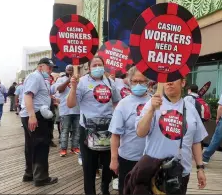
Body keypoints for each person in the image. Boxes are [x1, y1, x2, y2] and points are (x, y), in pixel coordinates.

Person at [135, 78, 208, 194]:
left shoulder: (191, 109)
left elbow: (196, 141)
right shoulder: (153, 104)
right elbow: (140, 132)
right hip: (154, 172)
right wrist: (151, 110)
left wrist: (200, 168)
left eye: (173, 79)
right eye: (166, 79)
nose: (169, 82)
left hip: (180, 174)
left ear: (183, 83)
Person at [67, 56, 121, 195]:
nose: (98, 67)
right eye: (94, 65)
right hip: (88, 130)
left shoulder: (109, 81)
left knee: (108, 164)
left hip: (108, 130)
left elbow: (117, 102)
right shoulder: (82, 82)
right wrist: (73, 88)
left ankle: (105, 188)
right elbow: (71, 104)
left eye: (100, 64)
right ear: (89, 68)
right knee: (89, 167)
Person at [109, 66, 151, 195]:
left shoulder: (154, 101)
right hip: (128, 158)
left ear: (147, 82)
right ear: (129, 82)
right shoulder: (123, 104)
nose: (138, 84)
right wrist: (114, 159)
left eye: (142, 81)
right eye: (135, 81)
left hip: (150, 160)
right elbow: (115, 135)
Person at [20, 57, 58, 187]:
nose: (51, 70)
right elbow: (28, 95)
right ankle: (41, 177)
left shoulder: (41, 78)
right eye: (49, 67)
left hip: (34, 113)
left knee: (31, 145)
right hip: (35, 115)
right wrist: (32, 115)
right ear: (41, 66)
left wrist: (50, 99)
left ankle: (30, 173)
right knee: (40, 145)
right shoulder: (35, 77)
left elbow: (37, 95)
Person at [56, 64, 81, 157]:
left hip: (77, 110)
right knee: (65, 130)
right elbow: (59, 89)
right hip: (65, 110)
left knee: (77, 130)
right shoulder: (61, 79)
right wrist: (68, 80)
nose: (70, 71)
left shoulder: (80, 79)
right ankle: (63, 148)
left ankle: (75, 147)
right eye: (69, 70)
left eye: (72, 70)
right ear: (66, 70)